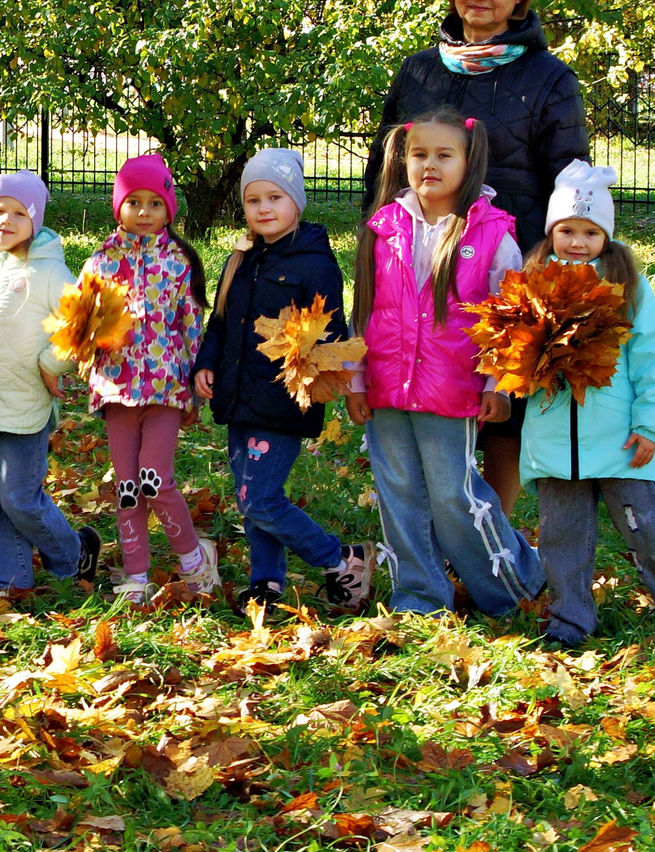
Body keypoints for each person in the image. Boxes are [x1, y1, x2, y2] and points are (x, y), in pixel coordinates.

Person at [364, 0, 589, 511]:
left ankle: (492, 535)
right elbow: (384, 174)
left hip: (509, 268)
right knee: (429, 400)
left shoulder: (549, 81)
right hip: (420, 270)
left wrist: (554, 270)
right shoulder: (418, 74)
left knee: (500, 413)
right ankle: (436, 527)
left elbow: (570, 184)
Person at [346, 108, 547, 619]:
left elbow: (511, 320)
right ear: (403, 160)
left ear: (468, 159)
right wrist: (356, 381)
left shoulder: (490, 235)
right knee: (399, 497)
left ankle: (514, 585)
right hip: (387, 388)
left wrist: (497, 385)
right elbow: (364, 312)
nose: (429, 164)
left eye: (443, 154)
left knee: (452, 497)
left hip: (451, 389)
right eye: (419, 155)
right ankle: (419, 598)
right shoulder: (382, 229)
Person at [523, 162, 655, 645]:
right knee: (561, 538)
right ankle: (571, 620)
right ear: (551, 232)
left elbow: (653, 357)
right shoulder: (529, 284)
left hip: (617, 439)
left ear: (606, 236)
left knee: (644, 527)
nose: (577, 241)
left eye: (590, 231)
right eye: (566, 230)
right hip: (553, 442)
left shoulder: (626, 288)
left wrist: (651, 424)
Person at [189, 150, 374, 612]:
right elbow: (221, 320)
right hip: (238, 396)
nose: (264, 208)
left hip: (282, 400)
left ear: (297, 202)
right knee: (250, 491)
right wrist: (206, 363)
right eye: (253, 200)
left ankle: (341, 558)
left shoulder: (316, 264)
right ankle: (266, 580)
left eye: (275, 196)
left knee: (259, 497)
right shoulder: (241, 259)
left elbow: (327, 334)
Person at [0, 171, 101, 599]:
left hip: (27, 404)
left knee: (18, 495)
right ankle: (11, 578)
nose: (6, 220)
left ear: (35, 221)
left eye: (19, 213)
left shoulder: (52, 273)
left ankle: (71, 555)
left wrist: (52, 362)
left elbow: (83, 321)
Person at [83, 153, 217, 605]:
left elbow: (192, 324)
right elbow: (81, 324)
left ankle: (194, 560)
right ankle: (136, 575)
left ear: (169, 209)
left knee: (154, 478)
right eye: (134, 202)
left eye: (154, 203)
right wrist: (87, 359)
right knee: (126, 488)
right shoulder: (100, 261)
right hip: (117, 390)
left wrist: (199, 373)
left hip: (166, 388)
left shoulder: (180, 261)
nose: (143, 212)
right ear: (118, 206)